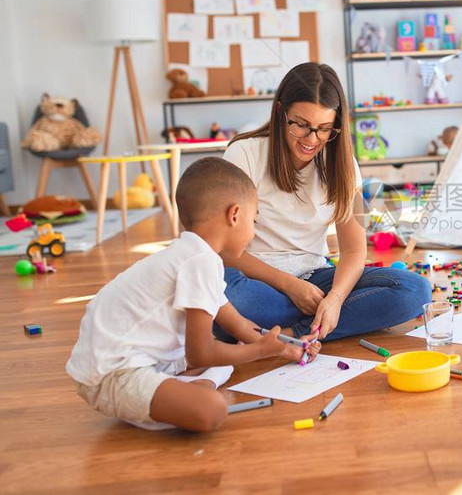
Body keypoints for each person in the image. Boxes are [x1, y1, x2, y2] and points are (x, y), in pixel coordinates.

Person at [66, 158, 321, 432]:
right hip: (111, 373)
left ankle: (185, 388)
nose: (253, 232)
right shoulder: (200, 261)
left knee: (226, 361)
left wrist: (287, 349)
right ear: (234, 215)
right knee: (211, 409)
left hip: (128, 358)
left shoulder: (195, 254)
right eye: (254, 220)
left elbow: (239, 324)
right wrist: (258, 352)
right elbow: (200, 353)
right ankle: (189, 390)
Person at [220, 62, 431, 342]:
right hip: (256, 282)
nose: (312, 140)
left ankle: (286, 333)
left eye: (324, 129)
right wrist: (290, 285)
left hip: (315, 280)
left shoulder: (342, 164)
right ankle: (317, 323)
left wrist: (334, 299)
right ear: (281, 110)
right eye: (301, 126)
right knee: (225, 293)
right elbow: (224, 249)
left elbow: (355, 251)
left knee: (415, 290)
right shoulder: (244, 153)